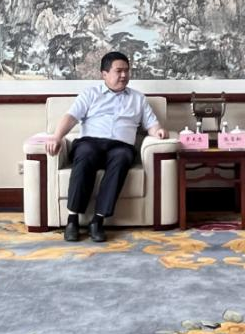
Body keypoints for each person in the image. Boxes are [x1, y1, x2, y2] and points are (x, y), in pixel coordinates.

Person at [45, 51, 167, 243]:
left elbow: (151, 124)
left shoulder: (138, 99)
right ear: (104, 74)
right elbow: (71, 117)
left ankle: (97, 220)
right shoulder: (90, 94)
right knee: (85, 153)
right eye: (119, 71)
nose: (124, 75)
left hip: (120, 147)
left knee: (122, 157)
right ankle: (72, 220)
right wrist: (56, 137)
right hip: (90, 143)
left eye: (127, 71)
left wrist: (158, 131)